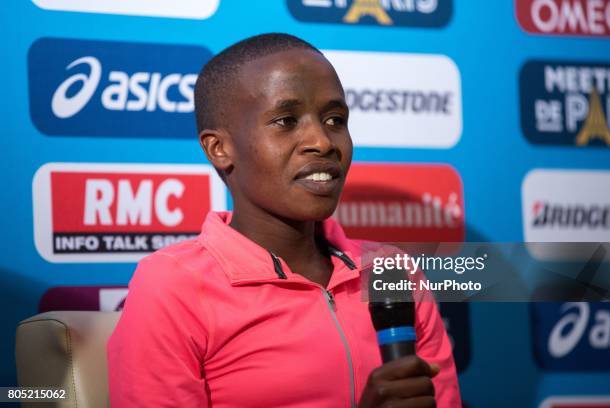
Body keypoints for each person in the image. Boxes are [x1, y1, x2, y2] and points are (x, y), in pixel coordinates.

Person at [107, 33, 460, 407]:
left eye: (335, 119)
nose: (323, 141)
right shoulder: (172, 286)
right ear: (219, 148)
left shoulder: (392, 271)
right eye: (286, 120)